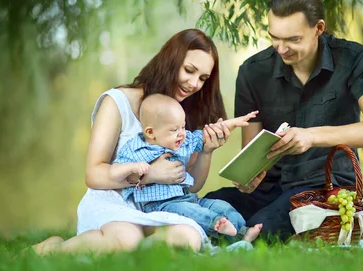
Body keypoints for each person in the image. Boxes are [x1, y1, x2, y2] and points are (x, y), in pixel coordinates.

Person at [205, 0, 363, 241]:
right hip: (268, 188)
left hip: (326, 188)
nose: (281, 48)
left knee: (262, 228)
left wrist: (311, 136)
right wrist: (247, 178)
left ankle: (240, 237)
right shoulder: (253, 72)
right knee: (207, 207)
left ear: (318, 28)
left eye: (293, 40)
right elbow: (251, 153)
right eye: (274, 37)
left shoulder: (352, 59)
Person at [32, 29, 235, 255]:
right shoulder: (118, 102)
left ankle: (133, 251)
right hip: (113, 202)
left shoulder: (185, 114)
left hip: (158, 208)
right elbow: (93, 175)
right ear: (171, 60)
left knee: (188, 238)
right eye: (189, 70)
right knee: (128, 239)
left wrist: (207, 152)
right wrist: (150, 175)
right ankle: (52, 249)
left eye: (203, 78)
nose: (194, 83)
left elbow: (188, 185)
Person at [113, 93, 263, 241]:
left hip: (189, 198)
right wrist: (136, 168)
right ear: (151, 132)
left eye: (183, 127)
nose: (182, 134)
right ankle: (215, 224)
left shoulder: (182, 142)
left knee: (221, 205)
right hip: (162, 206)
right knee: (192, 212)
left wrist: (235, 122)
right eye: (174, 130)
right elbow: (116, 171)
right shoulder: (136, 149)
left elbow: (209, 133)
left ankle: (242, 233)